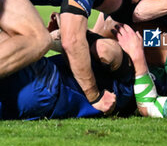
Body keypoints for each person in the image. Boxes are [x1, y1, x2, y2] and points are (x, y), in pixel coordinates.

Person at [0, 0, 140, 114]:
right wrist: (95, 97)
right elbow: (71, 41)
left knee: (10, 41)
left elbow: (126, 7)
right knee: (37, 39)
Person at [0, 27, 136, 120]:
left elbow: (103, 49)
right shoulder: (123, 91)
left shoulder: (125, 81)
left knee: (9, 36)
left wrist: (67, 31)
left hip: (48, 85)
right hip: (37, 100)